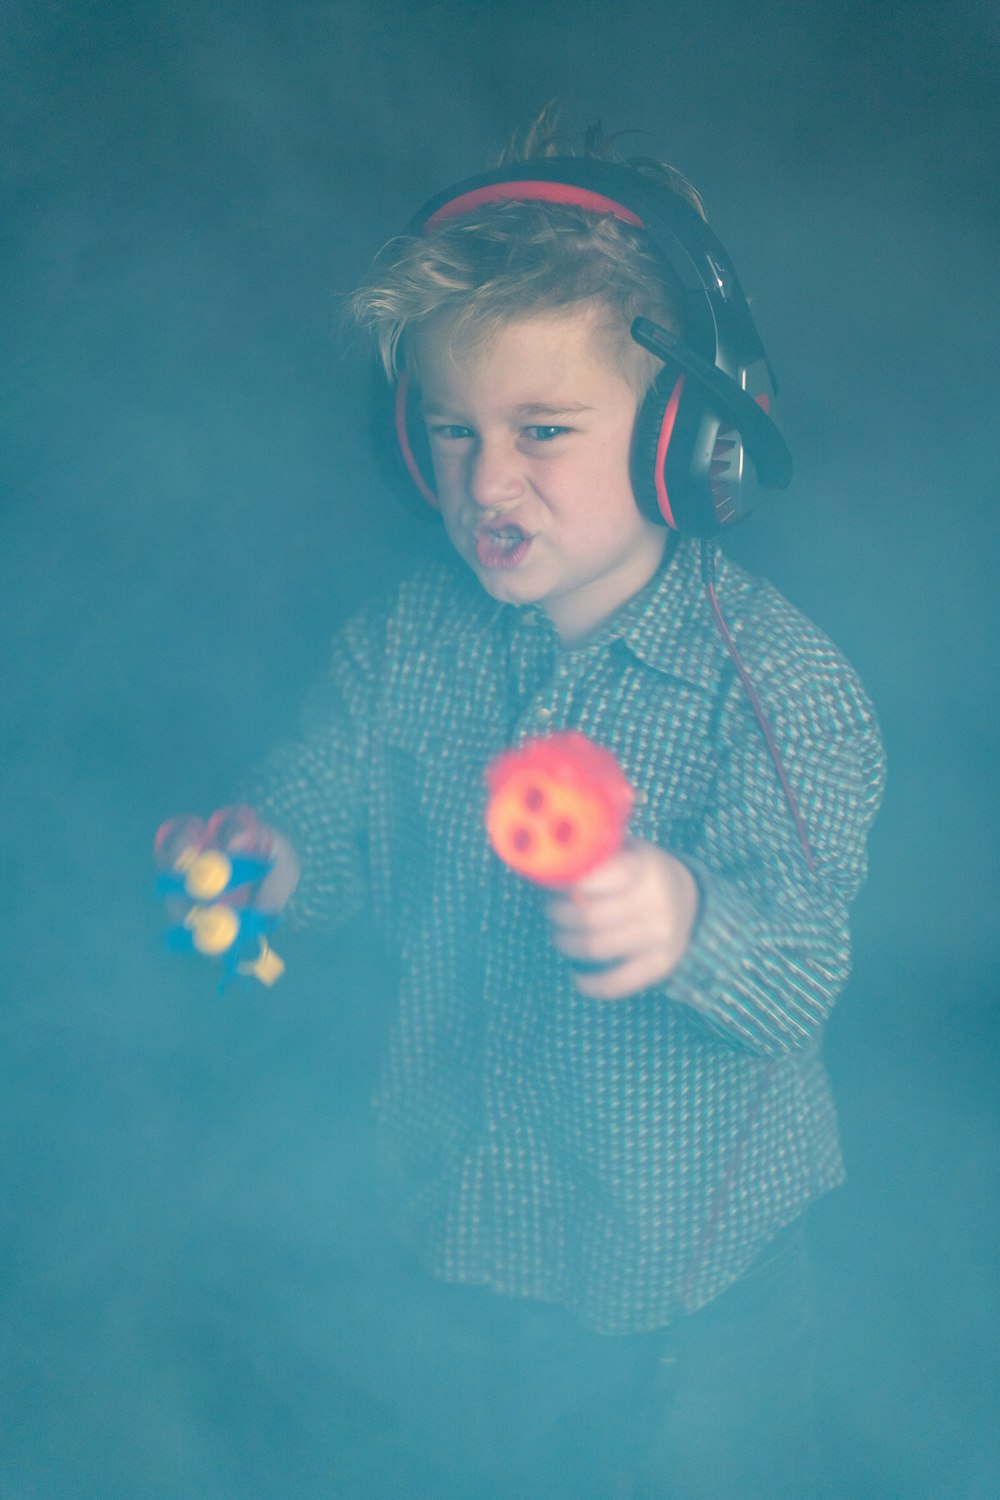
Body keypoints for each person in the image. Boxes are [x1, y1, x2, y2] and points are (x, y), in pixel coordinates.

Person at [242, 118, 886, 1498]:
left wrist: (686, 918)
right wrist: (271, 856)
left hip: (698, 1283)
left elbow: (803, 968)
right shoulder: (404, 642)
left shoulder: (773, 685)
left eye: (544, 430)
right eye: (453, 434)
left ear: (683, 440)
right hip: (458, 1233)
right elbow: (330, 818)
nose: (488, 481)